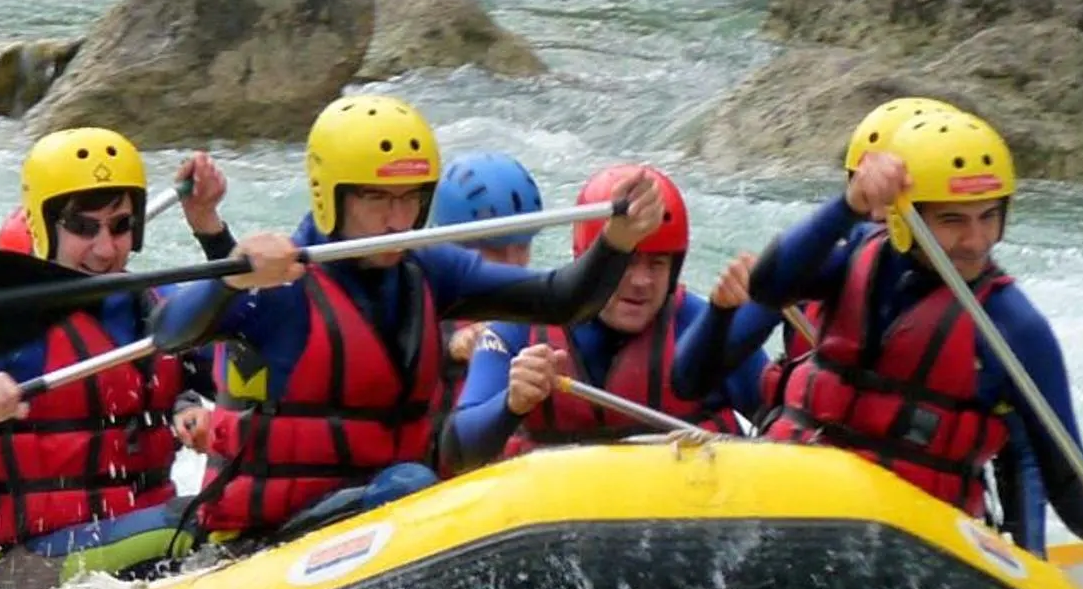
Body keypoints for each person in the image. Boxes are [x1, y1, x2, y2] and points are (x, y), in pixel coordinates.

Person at [150, 95, 669, 541]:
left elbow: (560, 300)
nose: (397, 219)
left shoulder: (431, 270)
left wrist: (617, 243)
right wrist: (229, 276)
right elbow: (170, 333)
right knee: (409, 487)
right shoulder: (279, 281)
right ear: (330, 198)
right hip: (270, 539)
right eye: (376, 199)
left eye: (410, 199)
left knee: (412, 487)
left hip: (386, 516)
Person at [718, 99, 1083, 578]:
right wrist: (847, 205)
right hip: (796, 507)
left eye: (988, 217)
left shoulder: (1014, 327)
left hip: (908, 556)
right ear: (902, 220)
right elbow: (769, 286)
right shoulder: (852, 262)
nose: (976, 241)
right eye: (952, 220)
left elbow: (1067, 479)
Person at [0, 129, 232, 589]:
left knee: (249, 502)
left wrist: (211, 229)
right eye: (83, 228)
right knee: (214, 517)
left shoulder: (156, 303)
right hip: (28, 568)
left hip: (140, 543)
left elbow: (264, 351)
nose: (106, 249)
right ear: (44, 228)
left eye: (120, 226)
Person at [442, 165, 766, 472]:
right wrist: (511, 403)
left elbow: (782, 426)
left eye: (657, 265)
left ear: (675, 270)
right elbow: (456, 451)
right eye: (629, 262)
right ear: (594, 264)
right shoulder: (517, 330)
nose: (641, 281)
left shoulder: (709, 328)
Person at [429, 151, 547, 371]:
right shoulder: (414, 298)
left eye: (522, 247)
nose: (513, 264)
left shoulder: (542, 305)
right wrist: (452, 346)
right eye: (495, 250)